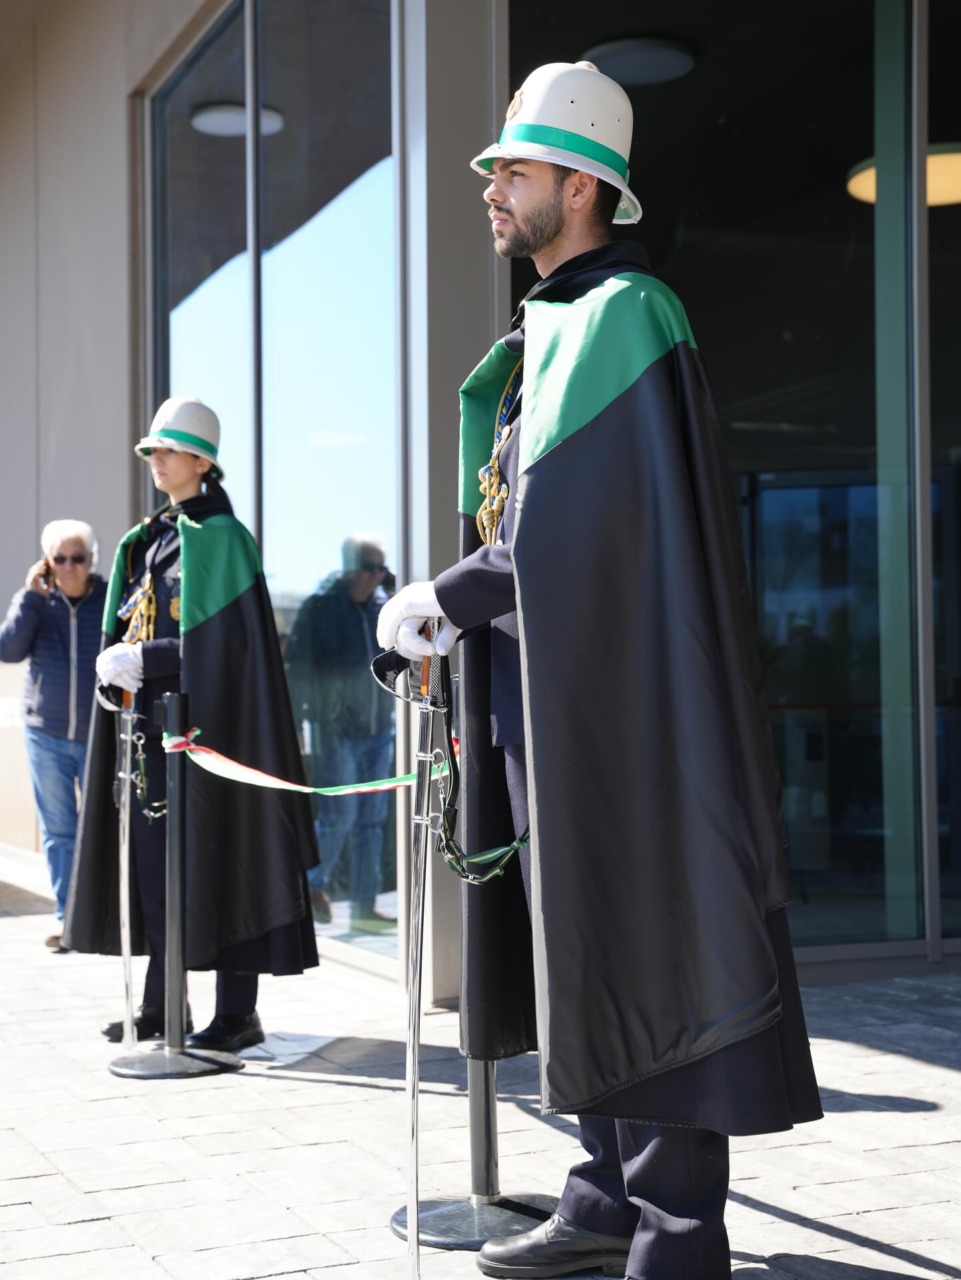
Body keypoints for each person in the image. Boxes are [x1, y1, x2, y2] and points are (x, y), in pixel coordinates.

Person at [377, 61, 822, 1280]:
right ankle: (605, 1194)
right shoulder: (556, 326)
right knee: (581, 952)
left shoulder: (626, 312)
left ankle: (676, 1233)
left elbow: (579, 526)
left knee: (644, 938)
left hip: (620, 709)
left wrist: (447, 594)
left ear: (581, 187)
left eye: (512, 171)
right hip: (550, 702)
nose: (490, 189)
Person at [64, 397, 319, 1052]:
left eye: (170, 450)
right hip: (151, 733)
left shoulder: (222, 539)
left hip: (214, 732)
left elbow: (225, 650)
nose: (157, 459)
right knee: (154, 870)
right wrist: (120, 661)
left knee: (228, 858)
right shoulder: (150, 539)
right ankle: (161, 1003)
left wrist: (143, 657)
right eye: (152, 450)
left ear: (202, 462)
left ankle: (237, 1014)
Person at [0, 520, 106, 949]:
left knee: (104, 826)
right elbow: (8, 650)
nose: (68, 566)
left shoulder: (110, 601)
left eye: (77, 557)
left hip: (100, 733)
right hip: (46, 734)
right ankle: (69, 921)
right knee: (60, 831)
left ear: (91, 559)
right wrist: (31, 597)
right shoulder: (35, 603)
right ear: (46, 562)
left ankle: (104, 916)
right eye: (59, 558)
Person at [285, 534, 396, 932]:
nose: (377, 576)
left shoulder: (384, 608)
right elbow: (298, 667)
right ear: (350, 567)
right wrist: (297, 724)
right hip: (335, 730)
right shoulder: (321, 608)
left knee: (372, 821)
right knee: (338, 816)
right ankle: (310, 886)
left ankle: (364, 907)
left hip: (379, 729)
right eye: (370, 567)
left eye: (382, 568)